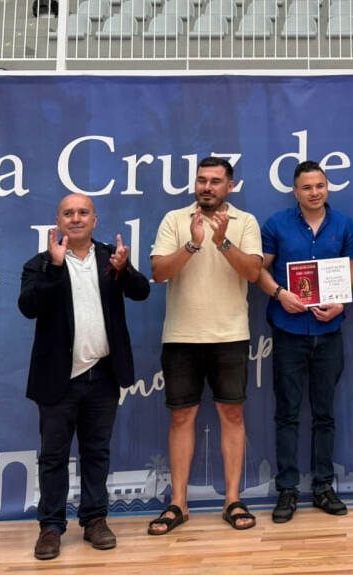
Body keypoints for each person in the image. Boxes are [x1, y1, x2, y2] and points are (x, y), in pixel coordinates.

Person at [18, 193, 150, 560]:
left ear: (95, 220)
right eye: (68, 213)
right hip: (57, 379)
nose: (75, 218)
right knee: (54, 457)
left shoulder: (111, 258)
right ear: (58, 222)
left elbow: (141, 292)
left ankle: (95, 520)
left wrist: (125, 270)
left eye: (83, 212)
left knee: (97, 452)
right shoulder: (40, 264)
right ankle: (50, 527)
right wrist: (55, 267)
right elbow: (28, 307)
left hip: (102, 376)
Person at [148, 157, 263, 534]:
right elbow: (159, 273)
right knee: (181, 417)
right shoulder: (174, 219)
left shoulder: (245, 222)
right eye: (202, 180)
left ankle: (232, 499)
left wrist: (221, 241)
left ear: (230, 186)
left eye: (215, 181)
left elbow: (252, 272)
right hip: (182, 336)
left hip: (230, 335)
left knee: (232, 415)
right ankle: (178, 503)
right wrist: (193, 245)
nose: (207, 187)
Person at [256, 161, 353, 523]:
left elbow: (350, 267)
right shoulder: (276, 224)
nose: (314, 193)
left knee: (324, 414)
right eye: (307, 187)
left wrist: (341, 302)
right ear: (295, 191)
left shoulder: (344, 224)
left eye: (320, 186)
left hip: (329, 333)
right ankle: (287, 490)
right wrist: (279, 293)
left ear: (327, 187)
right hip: (289, 331)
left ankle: (323, 487)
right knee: (287, 414)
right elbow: (260, 269)